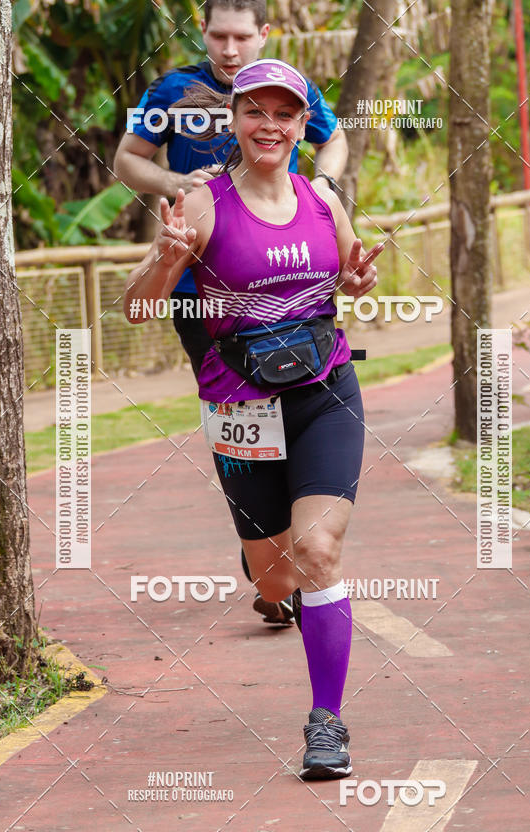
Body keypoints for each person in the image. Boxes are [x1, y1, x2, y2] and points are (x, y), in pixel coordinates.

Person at [122, 59, 382, 779]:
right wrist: (167, 261)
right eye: (256, 112)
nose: (271, 126)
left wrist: (357, 281)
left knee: (320, 550)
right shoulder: (203, 204)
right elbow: (139, 306)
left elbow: (348, 276)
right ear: (234, 120)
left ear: (304, 126)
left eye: (285, 114)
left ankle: (326, 724)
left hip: (326, 390)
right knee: (275, 583)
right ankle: (264, 562)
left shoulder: (320, 200)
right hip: (240, 409)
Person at [114, 0, 347, 623]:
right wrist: (182, 191)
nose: (228, 47)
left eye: (241, 36)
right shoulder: (170, 90)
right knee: (238, 411)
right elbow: (127, 159)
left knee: (303, 398)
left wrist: (325, 184)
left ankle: (296, 537)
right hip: (197, 287)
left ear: (264, 35)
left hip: (285, 280)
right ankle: (265, 545)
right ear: (203, 32)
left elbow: (336, 137)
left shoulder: (288, 90)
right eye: (217, 34)